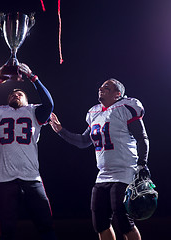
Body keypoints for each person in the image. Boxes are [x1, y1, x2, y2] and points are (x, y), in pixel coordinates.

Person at [49, 78, 150, 240]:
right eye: (101, 86)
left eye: (107, 87)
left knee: (124, 222)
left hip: (125, 171)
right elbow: (83, 141)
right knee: (100, 223)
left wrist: (142, 164)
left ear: (118, 94)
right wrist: (61, 131)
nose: (101, 88)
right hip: (103, 174)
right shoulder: (94, 112)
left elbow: (142, 138)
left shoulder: (126, 107)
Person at [0, 63, 57, 240]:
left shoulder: (34, 112)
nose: (15, 94)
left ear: (27, 100)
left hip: (31, 177)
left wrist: (33, 78)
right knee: (7, 230)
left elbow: (49, 104)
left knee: (46, 225)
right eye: (12, 94)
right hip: (5, 179)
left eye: (20, 94)